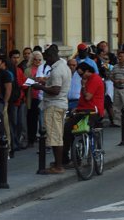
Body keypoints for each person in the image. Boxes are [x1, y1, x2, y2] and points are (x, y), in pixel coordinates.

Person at [33, 45, 71, 174]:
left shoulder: (57, 70)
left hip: (54, 105)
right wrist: (45, 82)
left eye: (46, 58)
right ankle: (57, 163)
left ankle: (58, 166)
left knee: (55, 137)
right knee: (57, 135)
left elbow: (55, 90)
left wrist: (40, 87)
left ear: (52, 56)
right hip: (60, 104)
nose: (46, 62)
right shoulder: (64, 67)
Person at [62, 62, 105, 166]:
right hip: (82, 110)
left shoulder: (94, 79)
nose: (81, 77)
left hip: (93, 111)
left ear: (88, 71)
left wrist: (84, 85)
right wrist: (77, 108)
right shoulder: (88, 79)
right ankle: (67, 158)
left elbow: (88, 97)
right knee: (67, 129)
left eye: (82, 74)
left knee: (85, 129)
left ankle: (87, 154)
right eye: (79, 75)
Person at [9, 49, 28, 150]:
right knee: (14, 122)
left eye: (17, 58)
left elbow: (24, 82)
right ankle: (14, 143)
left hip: (21, 99)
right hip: (14, 101)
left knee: (20, 123)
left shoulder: (19, 70)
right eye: (14, 58)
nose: (16, 60)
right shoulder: (10, 70)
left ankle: (18, 141)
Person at [24, 51, 44, 148]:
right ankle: (31, 139)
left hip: (42, 97)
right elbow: (25, 84)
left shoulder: (44, 69)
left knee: (42, 119)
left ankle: (43, 138)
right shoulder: (28, 70)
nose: (37, 61)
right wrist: (33, 79)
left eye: (39, 59)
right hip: (32, 97)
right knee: (31, 119)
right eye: (35, 59)